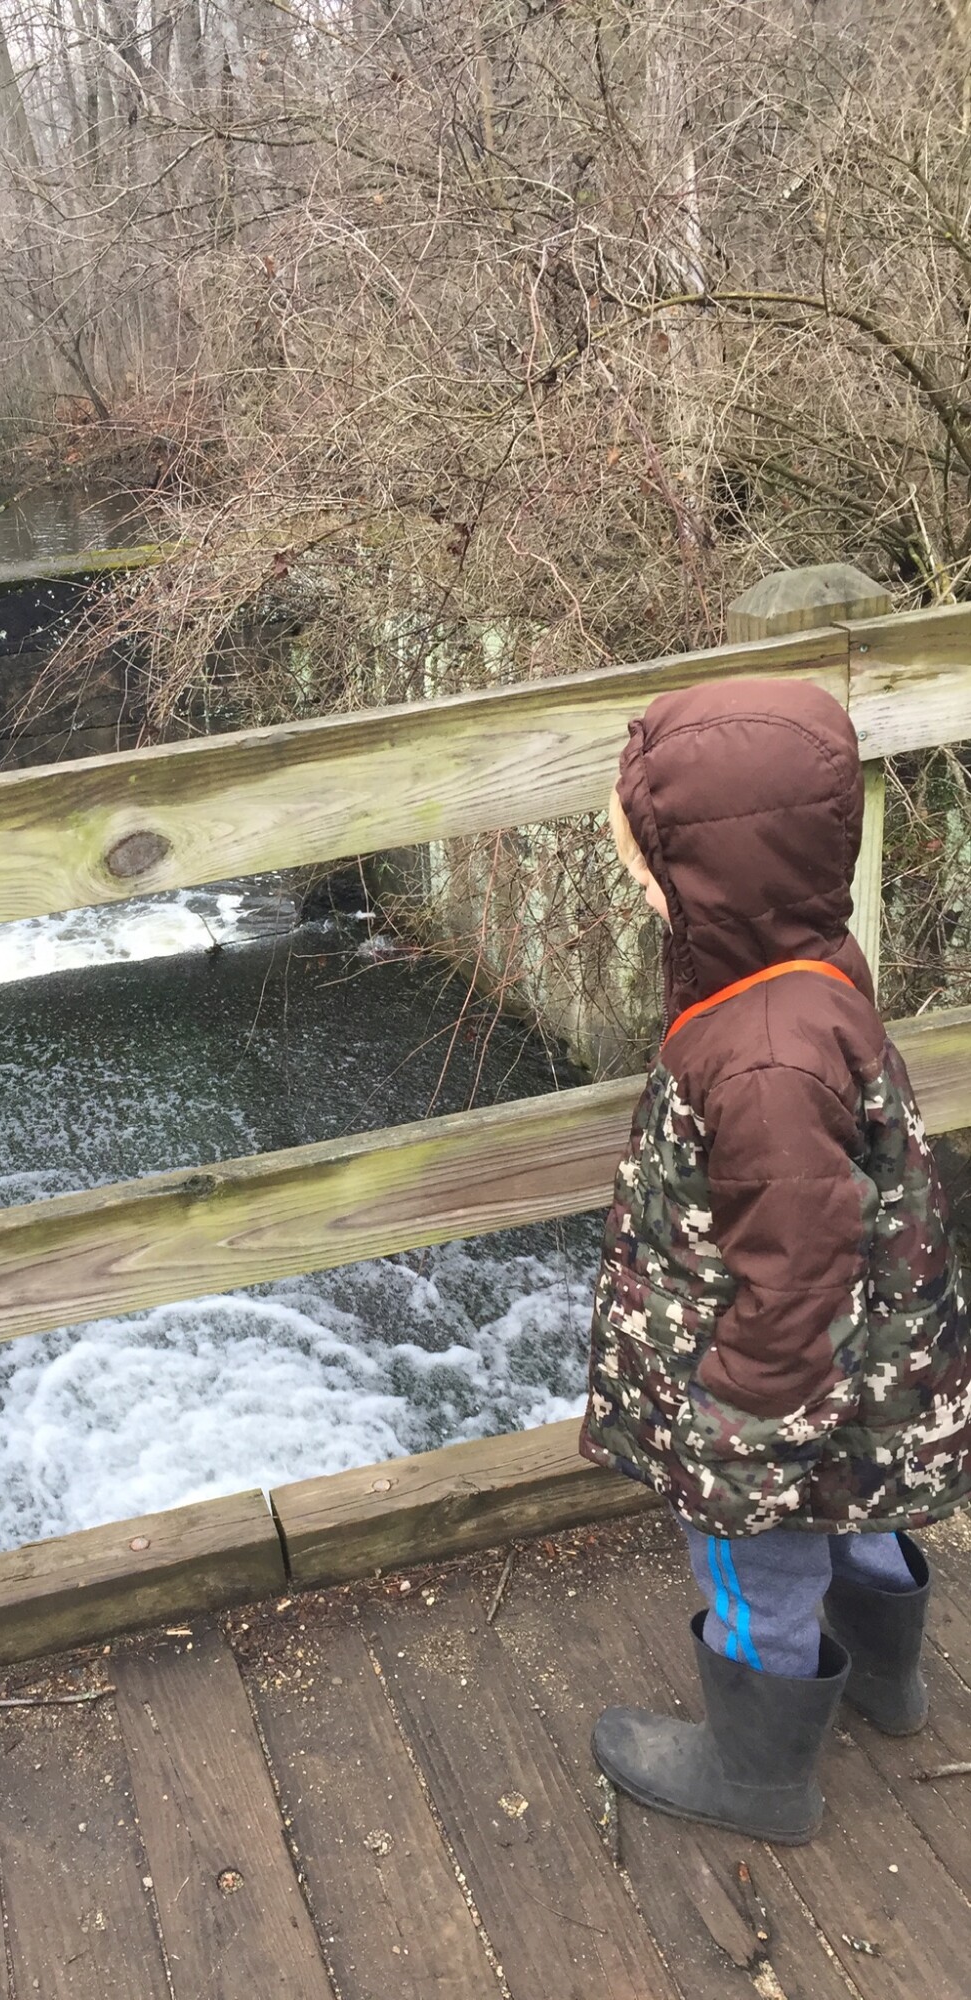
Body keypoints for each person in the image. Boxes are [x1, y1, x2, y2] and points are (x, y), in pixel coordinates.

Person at [580, 676, 971, 1845]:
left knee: (762, 1552)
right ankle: (888, 1682)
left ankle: (757, 1772)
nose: (637, 877)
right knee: (858, 1499)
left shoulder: (757, 1052)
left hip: (778, 1373)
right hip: (864, 1362)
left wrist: (742, 1423)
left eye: (646, 859)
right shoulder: (807, 964)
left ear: (709, 877)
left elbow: (794, 1260)